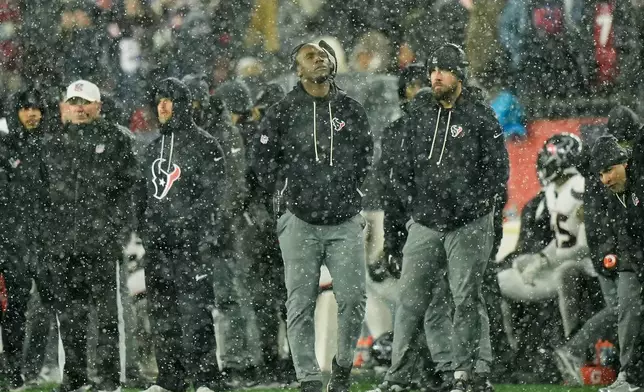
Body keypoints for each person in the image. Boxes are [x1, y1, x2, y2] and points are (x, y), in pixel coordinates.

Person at [251, 40, 372, 392]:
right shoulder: (283, 110)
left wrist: (351, 191)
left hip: (344, 218)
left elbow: (365, 156)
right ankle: (308, 378)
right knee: (299, 302)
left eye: (322, 55)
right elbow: (261, 162)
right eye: (309, 56)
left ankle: (343, 365)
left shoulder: (350, 109)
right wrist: (284, 197)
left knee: (352, 298)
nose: (318, 59)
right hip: (299, 220)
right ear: (297, 69)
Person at [389, 43, 508, 392]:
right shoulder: (420, 114)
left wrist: (471, 206)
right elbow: (402, 167)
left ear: (460, 74)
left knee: (466, 298)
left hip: (468, 223)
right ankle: (399, 376)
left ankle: (469, 373)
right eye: (432, 70)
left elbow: (497, 172)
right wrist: (417, 207)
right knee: (411, 301)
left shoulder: (481, 115)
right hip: (426, 222)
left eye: (443, 69)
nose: (434, 76)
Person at [41, 80, 138, 392]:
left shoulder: (117, 138)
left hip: (101, 242)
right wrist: (49, 237)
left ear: (98, 105)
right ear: (65, 106)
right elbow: (42, 195)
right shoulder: (53, 142)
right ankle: (76, 377)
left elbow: (129, 190)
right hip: (63, 243)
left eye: (85, 102)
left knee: (109, 315)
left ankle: (110, 379)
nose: (79, 108)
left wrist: (116, 233)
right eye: (73, 101)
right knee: (69, 317)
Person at [137, 77, 227, 392]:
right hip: (158, 248)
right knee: (162, 316)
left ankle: (206, 379)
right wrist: (148, 231)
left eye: (169, 99)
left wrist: (186, 225)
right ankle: (169, 379)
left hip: (192, 245)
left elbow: (213, 196)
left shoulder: (206, 145)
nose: (162, 106)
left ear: (183, 104)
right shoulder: (151, 149)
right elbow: (141, 197)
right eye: (159, 99)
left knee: (196, 314)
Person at [0, 86, 51, 391]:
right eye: (26, 107)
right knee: (14, 310)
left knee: (47, 307)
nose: (32, 113)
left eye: (37, 108)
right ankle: (13, 369)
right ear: (15, 112)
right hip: (10, 241)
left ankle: (32, 369)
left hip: (42, 241)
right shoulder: (4, 148)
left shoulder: (50, 147)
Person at [592, 134, 644, 390]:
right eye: (601, 174)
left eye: (609, 170)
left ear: (625, 163)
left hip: (635, 257)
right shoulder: (613, 196)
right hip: (632, 260)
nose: (605, 180)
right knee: (628, 312)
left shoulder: (640, 181)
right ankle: (629, 376)